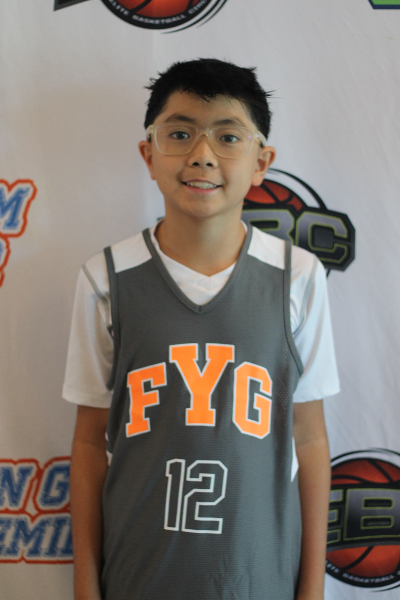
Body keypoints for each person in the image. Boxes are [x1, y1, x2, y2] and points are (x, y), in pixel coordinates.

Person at [63, 58, 340, 600]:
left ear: (261, 162)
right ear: (149, 153)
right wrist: (85, 587)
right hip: (138, 577)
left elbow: (309, 437)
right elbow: (90, 442)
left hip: (258, 579)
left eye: (228, 136)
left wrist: (312, 590)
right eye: (180, 133)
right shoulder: (106, 278)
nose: (202, 154)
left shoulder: (298, 276)